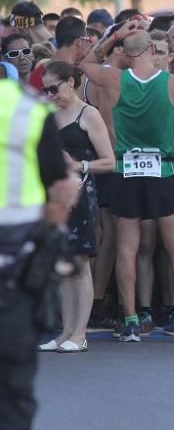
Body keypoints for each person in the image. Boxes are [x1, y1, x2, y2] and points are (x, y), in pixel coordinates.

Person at [80, 25, 174, 342]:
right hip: (162, 170)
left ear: (125, 53)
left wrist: (114, 37)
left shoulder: (114, 79)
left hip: (126, 170)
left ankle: (132, 319)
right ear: (151, 50)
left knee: (127, 247)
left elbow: (85, 64)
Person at [0, 78, 79, 429]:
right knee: (13, 385)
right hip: (15, 266)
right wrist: (50, 237)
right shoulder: (27, 108)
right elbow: (62, 187)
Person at [37, 62, 115, 353]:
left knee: (80, 262)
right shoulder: (49, 114)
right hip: (54, 195)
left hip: (81, 194)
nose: (49, 94)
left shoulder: (88, 114)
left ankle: (80, 333)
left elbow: (109, 161)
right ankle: (65, 331)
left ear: (70, 82)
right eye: (44, 89)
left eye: (53, 88)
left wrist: (79, 165)